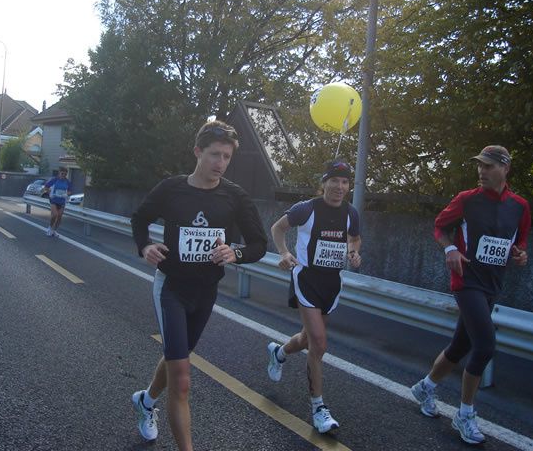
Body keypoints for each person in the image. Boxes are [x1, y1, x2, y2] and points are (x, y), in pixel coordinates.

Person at [130, 120, 267, 451]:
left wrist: (235, 252)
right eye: (214, 155)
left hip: (206, 292)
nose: (220, 163)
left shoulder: (235, 197)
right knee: (183, 379)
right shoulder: (172, 189)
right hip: (172, 288)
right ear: (197, 152)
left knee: (178, 357)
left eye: (226, 157)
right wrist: (145, 246)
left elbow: (259, 244)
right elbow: (139, 219)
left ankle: (145, 401)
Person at [410, 145, 531, 445]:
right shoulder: (466, 200)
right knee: (485, 345)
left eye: (489, 166)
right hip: (466, 282)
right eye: (480, 165)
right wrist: (450, 249)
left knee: (459, 345)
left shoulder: (520, 207)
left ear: (505, 169)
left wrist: (520, 256)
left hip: (492, 285)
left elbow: (520, 245)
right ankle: (464, 414)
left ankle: (425, 386)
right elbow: (440, 227)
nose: (482, 171)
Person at [266, 159, 362, 434]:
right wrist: (285, 253)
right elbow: (278, 228)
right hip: (306, 279)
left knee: (308, 338)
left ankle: (279, 352)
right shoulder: (306, 208)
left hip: (332, 284)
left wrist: (354, 252)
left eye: (345, 182)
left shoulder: (350, 213)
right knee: (319, 344)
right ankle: (318, 408)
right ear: (324, 183)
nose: (339, 187)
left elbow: (355, 238)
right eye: (334, 181)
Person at [43, 167, 72, 237]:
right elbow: (45, 187)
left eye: (65, 174)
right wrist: (50, 193)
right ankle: (49, 228)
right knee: (55, 215)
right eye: (62, 173)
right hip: (54, 200)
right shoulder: (54, 180)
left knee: (59, 217)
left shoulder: (67, 182)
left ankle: (54, 231)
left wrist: (66, 194)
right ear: (59, 173)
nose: (63, 175)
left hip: (62, 201)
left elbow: (70, 191)